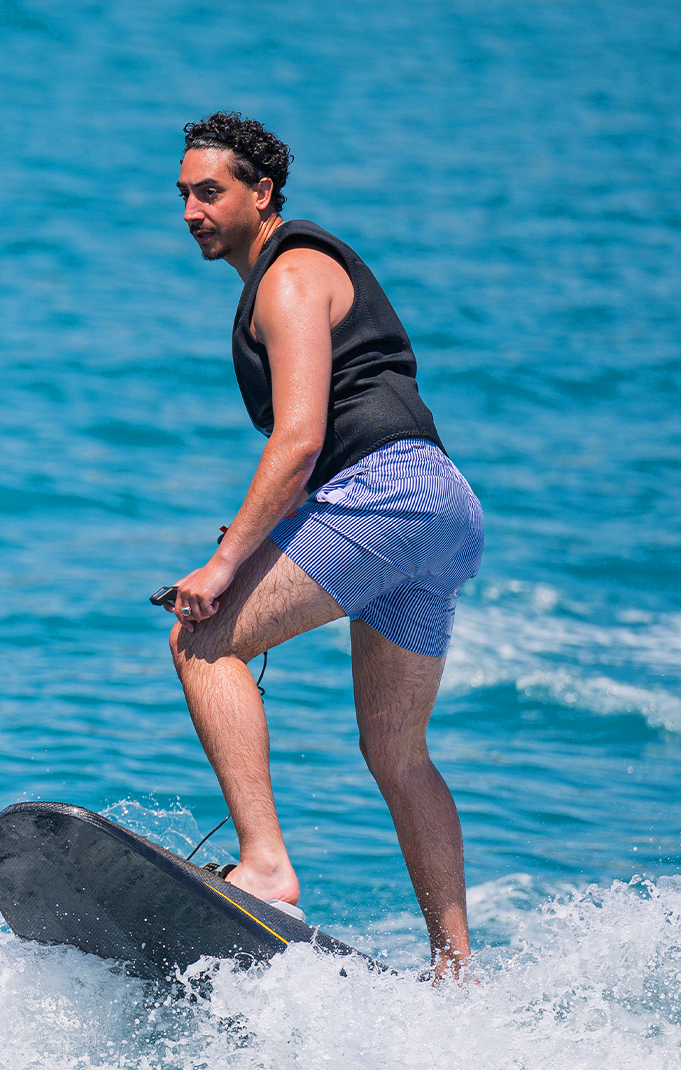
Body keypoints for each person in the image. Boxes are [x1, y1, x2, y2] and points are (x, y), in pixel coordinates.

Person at [167, 112, 483, 979]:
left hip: (387, 495)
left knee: (202, 640)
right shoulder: (289, 273)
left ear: (262, 193)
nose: (192, 209)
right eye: (184, 194)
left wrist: (227, 566)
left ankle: (264, 862)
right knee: (395, 748)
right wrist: (252, 529)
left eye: (211, 191)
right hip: (436, 505)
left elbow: (301, 437)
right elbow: (326, 435)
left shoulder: (291, 276)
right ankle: (457, 970)